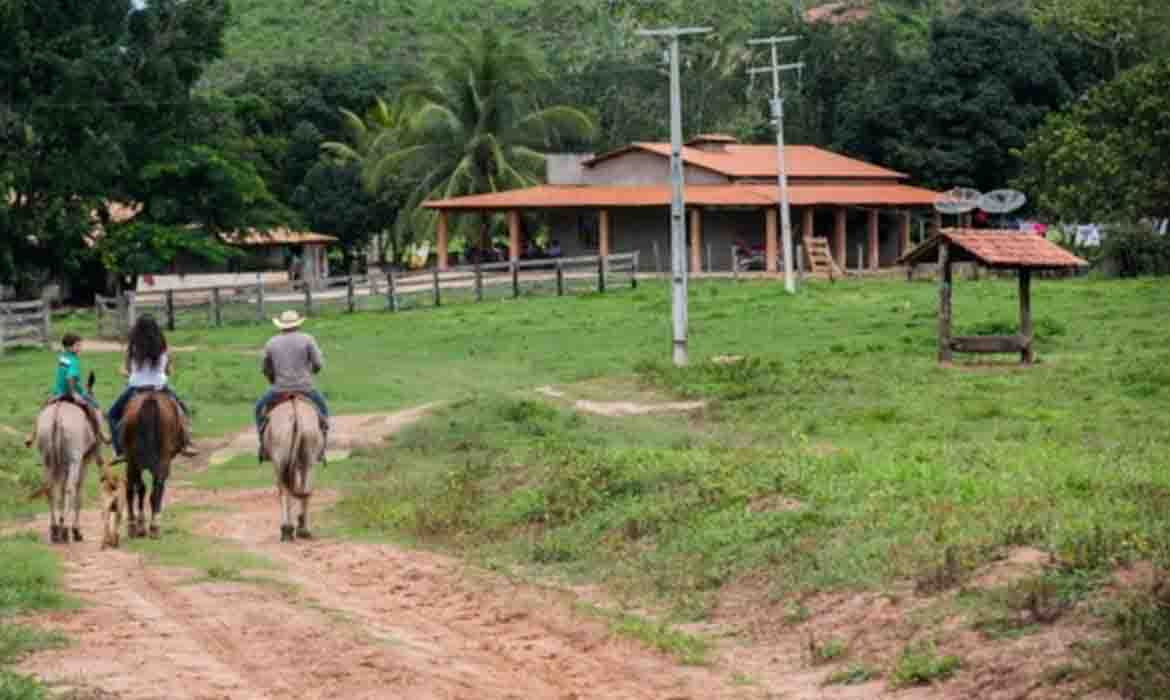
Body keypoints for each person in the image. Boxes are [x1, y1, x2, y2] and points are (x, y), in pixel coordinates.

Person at [107, 316, 198, 463]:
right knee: (183, 411)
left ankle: (120, 451)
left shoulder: (132, 347)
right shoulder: (163, 347)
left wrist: (124, 372)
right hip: (159, 388)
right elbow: (167, 371)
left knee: (112, 415)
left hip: (136, 388)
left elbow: (128, 370)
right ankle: (185, 444)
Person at [255, 310, 329, 462]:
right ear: (297, 325)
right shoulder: (308, 339)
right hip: (306, 388)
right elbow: (318, 363)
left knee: (258, 409)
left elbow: (265, 368)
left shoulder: (271, 342)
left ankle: (263, 445)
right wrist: (310, 373)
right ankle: (321, 449)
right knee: (323, 410)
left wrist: (272, 380)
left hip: (279, 389)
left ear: (281, 326)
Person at [26, 333, 108, 448]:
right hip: (71, 393)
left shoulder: (63, 357)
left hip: (58, 393)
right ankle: (101, 434)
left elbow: (63, 373)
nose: (80, 348)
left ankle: (32, 435)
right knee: (94, 407)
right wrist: (74, 393)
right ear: (69, 347)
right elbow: (70, 377)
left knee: (42, 409)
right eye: (78, 345)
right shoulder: (74, 361)